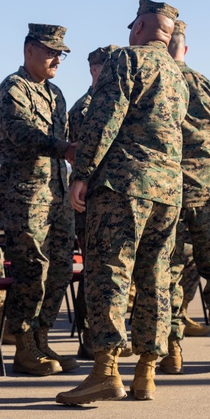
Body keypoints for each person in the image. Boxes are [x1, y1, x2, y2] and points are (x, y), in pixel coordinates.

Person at [57, 0, 188, 405]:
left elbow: (104, 120)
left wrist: (81, 175)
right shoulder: (178, 75)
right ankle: (146, 373)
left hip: (124, 185)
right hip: (168, 190)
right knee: (155, 277)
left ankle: (105, 372)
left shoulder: (126, 61)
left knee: (111, 272)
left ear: (142, 26)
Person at [0, 23, 77, 376]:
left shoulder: (56, 95)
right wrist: (65, 148)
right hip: (24, 197)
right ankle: (24, 346)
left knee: (58, 270)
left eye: (61, 53)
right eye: (50, 51)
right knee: (32, 271)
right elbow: (23, 133)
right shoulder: (13, 89)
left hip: (57, 196)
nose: (57, 58)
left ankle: (42, 340)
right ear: (29, 51)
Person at [163, 18, 210, 374]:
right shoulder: (208, 87)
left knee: (171, 273)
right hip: (206, 194)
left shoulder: (156, 81)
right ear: (186, 48)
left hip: (169, 196)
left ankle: (173, 349)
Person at [69, 45, 120, 359]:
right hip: (91, 201)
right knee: (94, 271)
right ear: (95, 70)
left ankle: (106, 337)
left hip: (111, 201)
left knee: (109, 270)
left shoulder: (112, 103)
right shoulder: (87, 107)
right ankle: (89, 336)